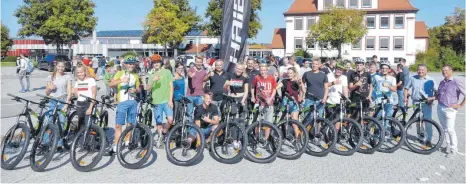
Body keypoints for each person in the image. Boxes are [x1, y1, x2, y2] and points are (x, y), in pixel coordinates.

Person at [107, 56, 141, 155]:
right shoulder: (120, 73)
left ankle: (127, 141)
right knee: (118, 125)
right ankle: (115, 145)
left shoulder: (135, 75)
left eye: (133, 63)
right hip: (122, 103)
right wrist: (121, 81)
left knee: (130, 123)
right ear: (125, 64)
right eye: (129, 63)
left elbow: (139, 88)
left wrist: (135, 90)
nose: (131, 65)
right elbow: (111, 84)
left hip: (133, 102)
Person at [436, 64, 465, 158]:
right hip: (440, 107)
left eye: (446, 70)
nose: (444, 72)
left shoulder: (456, 81)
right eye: (443, 70)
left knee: (450, 129)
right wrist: (431, 98)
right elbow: (439, 95)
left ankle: (453, 150)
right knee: (444, 129)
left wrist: (460, 105)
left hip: (450, 109)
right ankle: (448, 146)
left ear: (451, 71)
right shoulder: (442, 82)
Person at [403, 64, 436, 147]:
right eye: (419, 69)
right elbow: (406, 88)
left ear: (426, 71)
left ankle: (429, 139)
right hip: (416, 103)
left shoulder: (431, 80)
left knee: (428, 121)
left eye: (422, 70)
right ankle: (420, 137)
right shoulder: (413, 78)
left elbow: (437, 91)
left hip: (426, 103)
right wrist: (405, 98)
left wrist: (432, 99)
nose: (420, 71)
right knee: (418, 121)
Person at [45, 61, 73, 150]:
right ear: (56, 66)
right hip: (53, 100)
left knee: (61, 122)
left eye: (62, 67)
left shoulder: (67, 77)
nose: (61, 68)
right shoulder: (51, 77)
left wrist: (67, 102)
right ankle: (45, 142)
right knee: (49, 121)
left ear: (64, 68)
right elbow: (47, 93)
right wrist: (49, 88)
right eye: (59, 66)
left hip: (63, 100)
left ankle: (59, 143)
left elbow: (69, 90)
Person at [147, 56, 174, 148]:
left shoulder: (167, 72)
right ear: (152, 64)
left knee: (170, 120)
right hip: (156, 102)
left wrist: (170, 100)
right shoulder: (151, 74)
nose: (156, 64)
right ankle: (160, 138)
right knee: (159, 122)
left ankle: (164, 132)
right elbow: (148, 88)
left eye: (158, 62)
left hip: (166, 101)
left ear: (160, 62)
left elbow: (171, 87)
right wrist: (152, 81)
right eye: (154, 62)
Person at [275, 67, 304, 141]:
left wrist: (301, 83)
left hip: (294, 104)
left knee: (294, 123)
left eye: (291, 73)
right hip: (284, 103)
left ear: (294, 73)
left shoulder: (297, 81)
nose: (289, 74)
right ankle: (283, 137)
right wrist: (275, 79)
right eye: (288, 73)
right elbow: (275, 87)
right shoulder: (285, 81)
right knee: (281, 121)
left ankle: (298, 140)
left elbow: (303, 90)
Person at [251, 64, 277, 140]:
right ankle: (257, 138)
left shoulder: (271, 78)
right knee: (257, 122)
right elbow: (252, 87)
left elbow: (274, 89)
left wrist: (271, 98)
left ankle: (266, 139)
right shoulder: (256, 77)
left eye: (264, 70)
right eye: (261, 70)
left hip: (269, 103)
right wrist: (253, 96)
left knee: (268, 123)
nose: (262, 72)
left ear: (267, 70)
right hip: (258, 102)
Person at [372, 61, 397, 127]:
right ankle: (378, 133)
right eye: (382, 68)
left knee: (387, 118)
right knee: (378, 118)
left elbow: (394, 89)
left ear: (389, 69)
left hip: (389, 100)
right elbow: (372, 85)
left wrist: (388, 86)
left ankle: (385, 132)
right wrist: (371, 95)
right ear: (380, 69)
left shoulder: (392, 78)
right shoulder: (376, 77)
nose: (384, 70)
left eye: (386, 68)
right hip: (378, 101)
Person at [73, 65, 97, 132]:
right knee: (80, 123)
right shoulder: (77, 81)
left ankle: (88, 139)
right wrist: (74, 92)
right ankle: (80, 140)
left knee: (87, 124)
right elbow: (77, 95)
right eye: (78, 72)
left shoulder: (91, 80)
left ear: (85, 72)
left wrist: (90, 107)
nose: (80, 74)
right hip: (79, 103)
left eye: (81, 72)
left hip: (88, 103)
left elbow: (94, 94)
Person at [186, 55, 207, 123]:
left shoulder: (204, 72)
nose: (199, 63)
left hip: (199, 95)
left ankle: (197, 127)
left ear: (202, 63)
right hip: (190, 95)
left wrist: (203, 92)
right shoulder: (191, 69)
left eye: (200, 62)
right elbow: (189, 73)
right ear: (195, 62)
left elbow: (204, 81)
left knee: (200, 112)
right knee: (189, 112)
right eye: (197, 62)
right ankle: (189, 127)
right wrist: (191, 75)